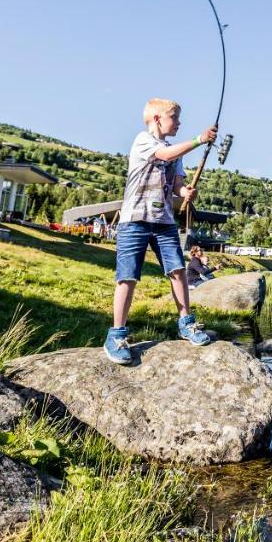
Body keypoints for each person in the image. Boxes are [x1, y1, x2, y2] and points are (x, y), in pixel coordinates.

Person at [103, 97, 217, 364]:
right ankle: (116, 334)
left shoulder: (174, 152)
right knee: (127, 276)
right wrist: (199, 140)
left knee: (177, 271)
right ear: (157, 119)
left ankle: (186, 323)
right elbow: (164, 155)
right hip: (134, 220)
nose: (178, 123)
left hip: (164, 221)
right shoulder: (143, 141)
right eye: (174, 118)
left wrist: (184, 191)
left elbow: (176, 181)